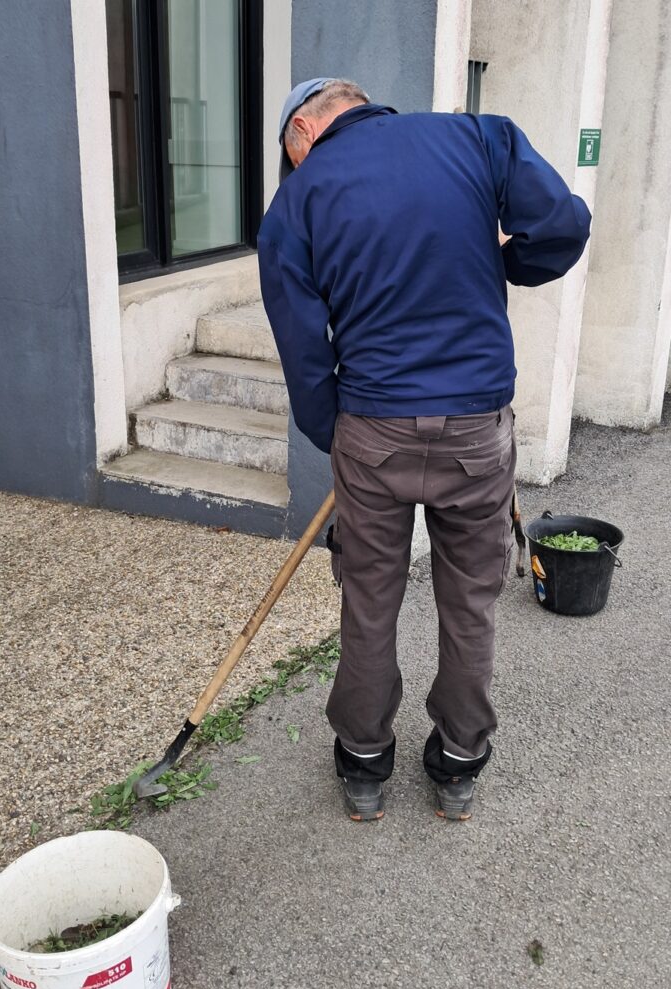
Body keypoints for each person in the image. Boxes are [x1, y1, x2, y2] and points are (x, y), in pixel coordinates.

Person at [257, 79, 591, 822]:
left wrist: (337, 436)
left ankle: (366, 763)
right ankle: (459, 762)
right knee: (471, 601)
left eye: (291, 154)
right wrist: (507, 264)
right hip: (477, 426)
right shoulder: (481, 138)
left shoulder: (297, 200)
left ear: (303, 134)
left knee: (370, 599)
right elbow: (564, 226)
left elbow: (305, 354)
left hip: (372, 430)